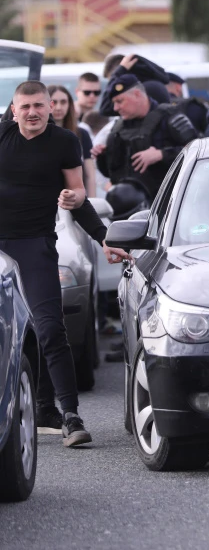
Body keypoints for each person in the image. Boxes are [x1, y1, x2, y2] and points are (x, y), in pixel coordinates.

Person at [0, 81, 122, 447]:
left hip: (35, 246)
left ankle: (69, 415)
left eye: (40, 106)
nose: (33, 112)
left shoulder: (65, 142)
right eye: (26, 107)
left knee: (51, 329)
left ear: (51, 108)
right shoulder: (1, 136)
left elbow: (79, 196)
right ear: (14, 109)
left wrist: (105, 238)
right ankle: (33, 408)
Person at [95, 74, 199, 199]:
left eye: (119, 101)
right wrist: (102, 156)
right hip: (128, 206)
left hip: (167, 203)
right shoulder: (117, 128)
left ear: (137, 95)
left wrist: (161, 155)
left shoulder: (169, 117)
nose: (116, 108)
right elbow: (111, 173)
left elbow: (197, 153)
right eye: (114, 103)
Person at [48, 85, 96, 193]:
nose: (59, 107)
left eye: (63, 102)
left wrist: (93, 201)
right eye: (54, 102)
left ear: (70, 104)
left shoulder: (82, 133)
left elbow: (90, 175)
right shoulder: (38, 135)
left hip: (75, 199)